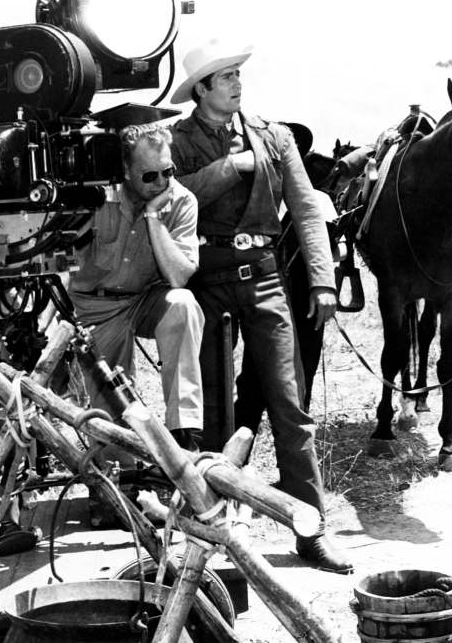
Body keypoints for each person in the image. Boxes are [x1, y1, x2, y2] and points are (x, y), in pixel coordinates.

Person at [168, 39, 352, 574]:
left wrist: (322, 280)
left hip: (266, 277)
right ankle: (208, 528)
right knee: (209, 410)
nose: (236, 83)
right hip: (206, 279)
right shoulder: (175, 141)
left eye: (237, 74)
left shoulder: (275, 137)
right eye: (224, 76)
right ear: (201, 89)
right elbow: (171, 196)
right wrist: (230, 167)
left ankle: (310, 529)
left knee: (289, 403)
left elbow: (306, 209)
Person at [68, 122, 205, 449]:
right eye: (149, 175)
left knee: (183, 305)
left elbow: (178, 276)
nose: (161, 183)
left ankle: (184, 435)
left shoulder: (181, 201)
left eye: (168, 172)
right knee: (110, 425)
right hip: (90, 309)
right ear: (125, 171)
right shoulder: (95, 196)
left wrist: (154, 217)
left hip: (143, 300)